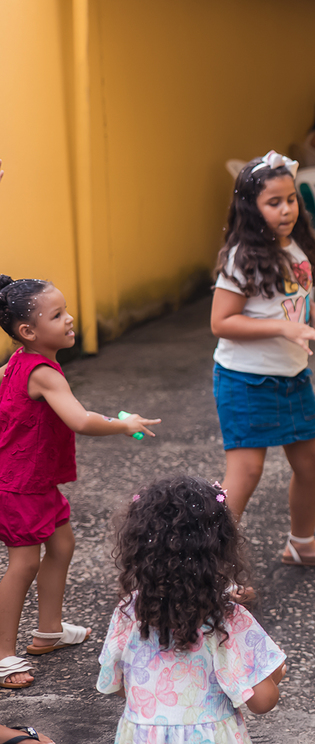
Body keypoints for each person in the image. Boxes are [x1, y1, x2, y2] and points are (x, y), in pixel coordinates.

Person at [0, 276, 159, 690]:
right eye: (57, 315)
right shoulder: (43, 373)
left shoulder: (19, 360)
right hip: (19, 485)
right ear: (28, 331)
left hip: (36, 480)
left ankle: (49, 630)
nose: (69, 319)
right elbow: (80, 420)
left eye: (65, 310)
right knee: (24, 564)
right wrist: (123, 424)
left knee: (62, 545)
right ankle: (2, 654)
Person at [211, 151, 315, 570]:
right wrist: (284, 329)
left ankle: (301, 544)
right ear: (250, 207)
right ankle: (212, 568)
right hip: (245, 379)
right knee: (246, 472)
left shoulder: (294, 248)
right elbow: (221, 322)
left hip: (291, 376)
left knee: (312, 461)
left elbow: (296, 299)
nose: (287, 209)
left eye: (291, 199)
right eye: (274, 202)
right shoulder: (241, 257)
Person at [97, 475, 287, 742]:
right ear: (220, 550)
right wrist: (274, 674)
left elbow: (117, 683)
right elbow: (263, 701)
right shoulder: (227, 619)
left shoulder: (130, 611)